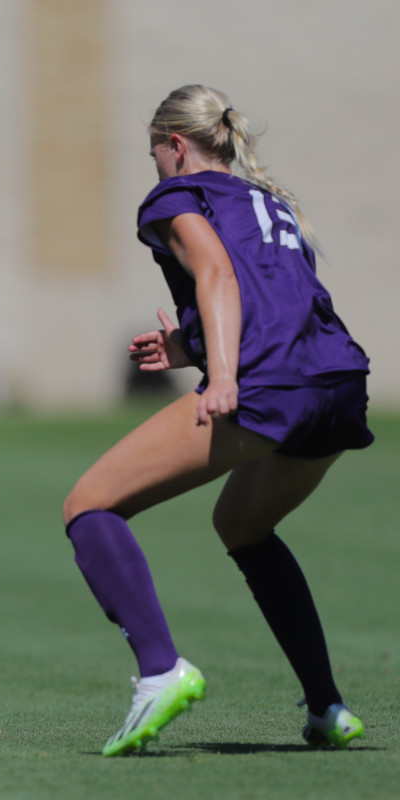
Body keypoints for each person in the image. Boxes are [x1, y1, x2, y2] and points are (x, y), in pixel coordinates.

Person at [62, 84, 372, 756]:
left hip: (269, 382)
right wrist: (192, 347)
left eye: (153, 153)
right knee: (242, 526)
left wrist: (224, 374)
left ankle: (160, 672)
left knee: (89, 505)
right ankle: (327, 707)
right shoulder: (270, 201)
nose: (154, 167)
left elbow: (218, 275)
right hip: (338, 380)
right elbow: (277, 299)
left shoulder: (175, 195)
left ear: (176, 146)